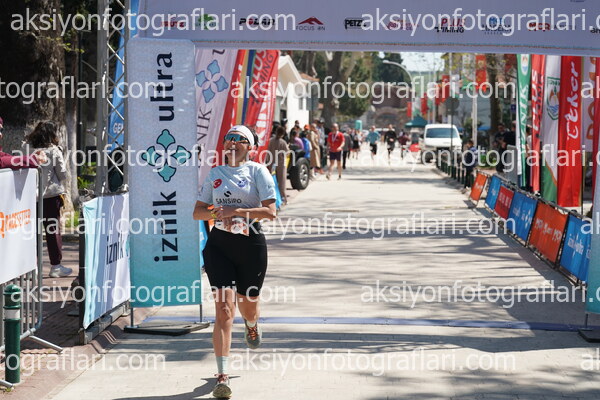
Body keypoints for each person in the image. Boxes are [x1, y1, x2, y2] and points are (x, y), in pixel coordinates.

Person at [193, 125, 277, 399]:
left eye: (240, 139)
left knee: (248, 307)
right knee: (224, 310)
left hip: (251, 247)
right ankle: (222, 375)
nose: (232, 142)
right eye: (229, 138)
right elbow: (197, 213)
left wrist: (237, 210)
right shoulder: (215, 174)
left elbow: (271, 212)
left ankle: (251, 325)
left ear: (250, 147)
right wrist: (216, 212)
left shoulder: (258, 172)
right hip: (219, 247)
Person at [25, 121, 71, 278]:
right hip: (50, 196)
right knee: (53, 231)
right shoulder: (53, 150)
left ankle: (33, 268)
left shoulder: (26, 148)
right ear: (51, 134)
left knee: (33, 232)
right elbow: (62, 174)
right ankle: (55, 266)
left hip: (30, 197)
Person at [267, 126, 289, 204]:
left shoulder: (270, 141)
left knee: (272, 181)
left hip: (271, 163)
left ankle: (273, 198)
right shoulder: (283, 142)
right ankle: (283, 198)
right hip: (281, 163)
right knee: (282, 182)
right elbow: (287, 153)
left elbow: (267, 152)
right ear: (283, 134)